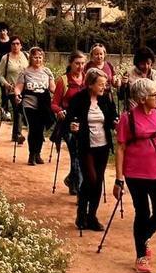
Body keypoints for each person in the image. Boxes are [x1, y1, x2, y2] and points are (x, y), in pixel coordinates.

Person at [113, 78, 156, 273]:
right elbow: (121, 148)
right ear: (142, 98)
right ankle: (141, 255)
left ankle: (142, 238)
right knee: (142, 213)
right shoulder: (128, 118)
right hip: (136, 174)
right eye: (154, 95)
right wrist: (119, 179)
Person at [67, 67, 117, 230]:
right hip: (85, 145)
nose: (104, 87)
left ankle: (92, 216)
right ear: (90, 85)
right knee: (91, 179)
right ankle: (81, 214)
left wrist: (116, 122)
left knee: (98, 181)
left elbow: (111, 118)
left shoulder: (105, 99)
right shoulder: (78, 99)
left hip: (102, 145)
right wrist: (72, 126)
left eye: (105, 84)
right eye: (101, 84)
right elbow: (69, 119)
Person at [52, 51, 87, 196]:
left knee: (81, 153)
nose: (80, 66)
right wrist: (59, 111)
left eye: (82, 63)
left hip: (84, 122)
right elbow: (54, 104)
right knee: (75, 152)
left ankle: (72, 179)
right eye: (77, 63)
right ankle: (78, 187)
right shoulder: (62, 81)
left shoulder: (87, 80)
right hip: (67, 122)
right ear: (70, 63)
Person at [13, 47, 56, 166]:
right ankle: (31, 154)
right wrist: (17, 95)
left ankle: (38, 153)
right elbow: (19, 87)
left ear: (43, 58)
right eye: (35, 57)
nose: (37, 59)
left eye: (40, 57)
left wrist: (61, 96)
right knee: (33, 128)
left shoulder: (47, 71)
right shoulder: (25, 72)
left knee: (40, 130)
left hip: (44, 104)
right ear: (30, 58)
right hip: (29, 104)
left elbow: (53, 88)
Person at [0, 36, 29, 143]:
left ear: (21, 45)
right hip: (11, 89)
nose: (15, 46)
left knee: (21, 110)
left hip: (25, 88)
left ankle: (16, 134)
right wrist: (6, 84)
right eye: (13, 44)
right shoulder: (5, 58)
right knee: (18, 109)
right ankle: (18, 134)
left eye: (17, 43)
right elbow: (0, 75)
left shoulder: (26, 56)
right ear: (10, 45)